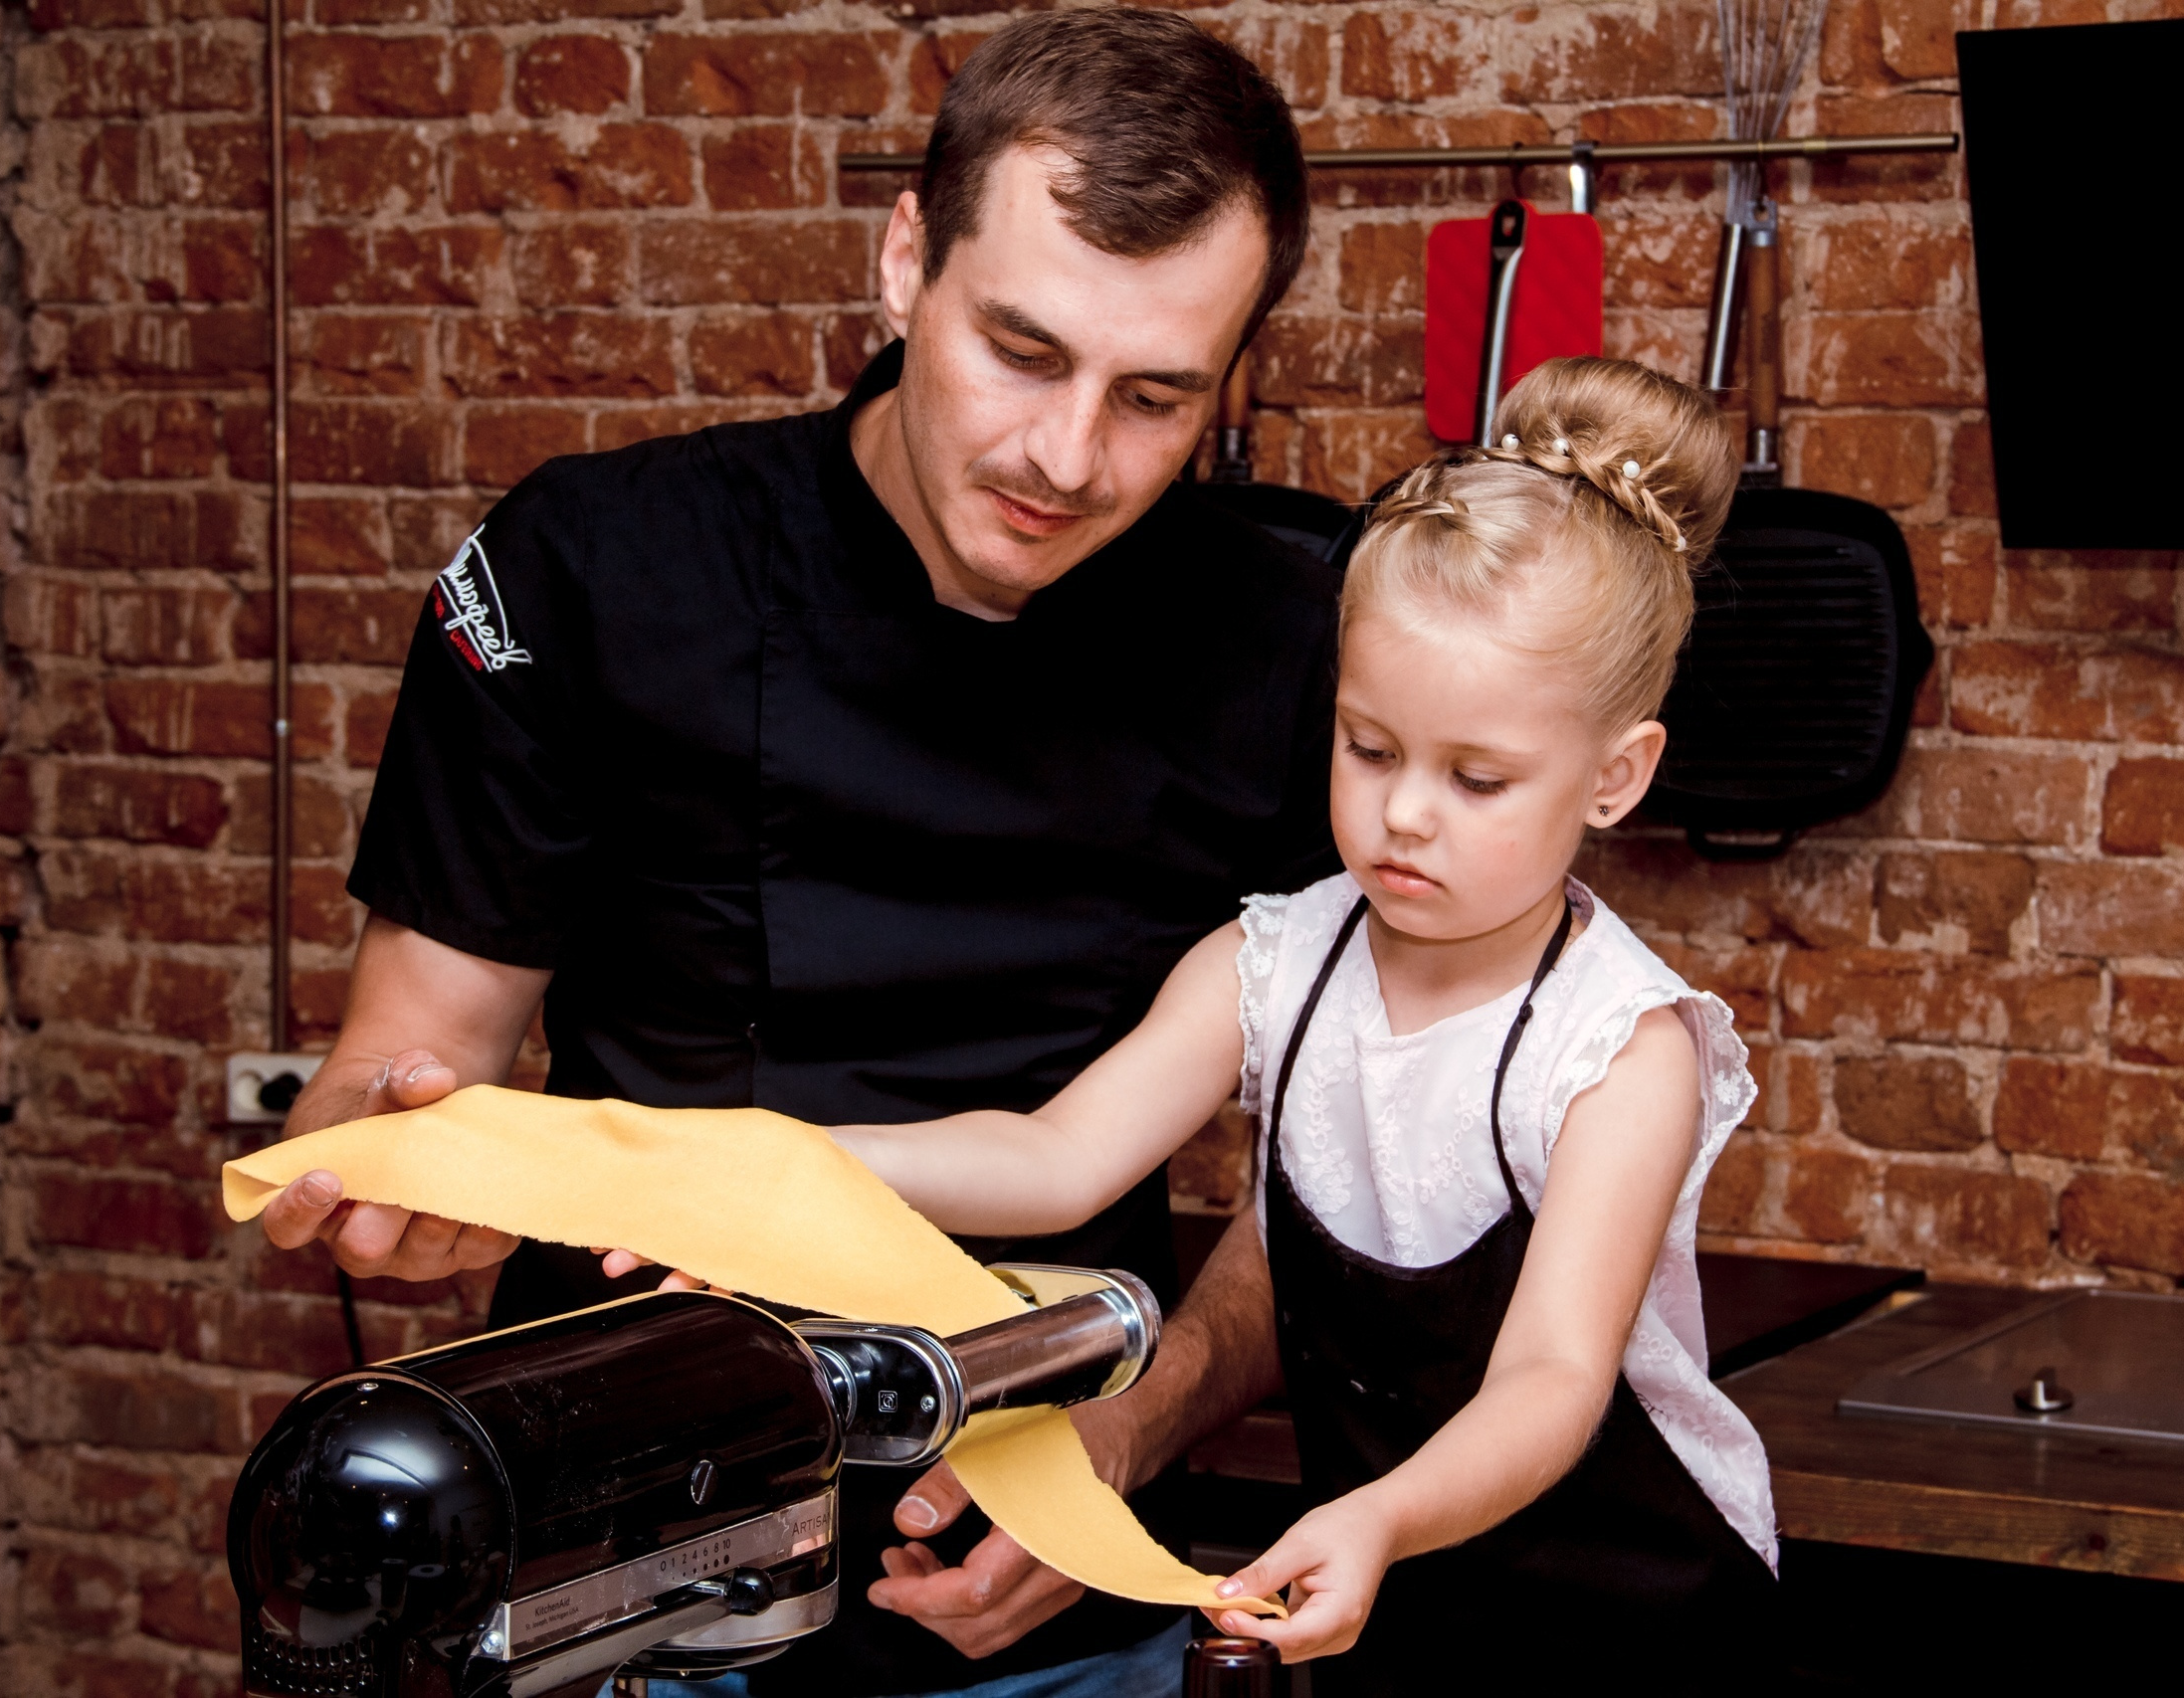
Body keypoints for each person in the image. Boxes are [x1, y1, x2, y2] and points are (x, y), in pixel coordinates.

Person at [252, 13, 1332, 1695]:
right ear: (906, 262)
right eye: (1021, 350)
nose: (1066, 456)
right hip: (615, 1572)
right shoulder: (593, 571)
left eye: (1155, 396)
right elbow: (401, 1066)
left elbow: (1326, 1183)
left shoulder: (1297, 643)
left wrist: (1133, 1433)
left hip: (1050, 1591)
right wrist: (392, 1178)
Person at [797, 359, 1782, 1689]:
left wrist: (1382, 1516)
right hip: (1402, 1593)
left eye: (1476, 776)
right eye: (1368, 749)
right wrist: (790, 1159)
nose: (1405, 814)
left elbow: (1551, 1382)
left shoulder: (1618, 1050)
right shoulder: (1279, 961)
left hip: (1636, 1610)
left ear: (1619, 775)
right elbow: (1055, 1155)